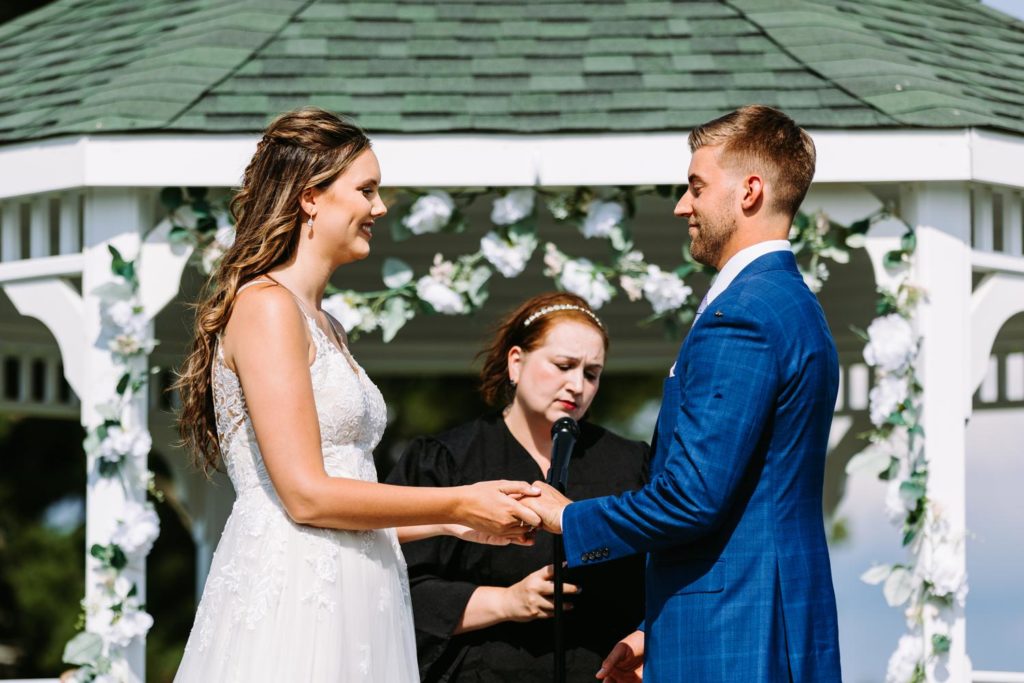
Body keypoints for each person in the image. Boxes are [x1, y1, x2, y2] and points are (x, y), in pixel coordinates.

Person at [172, 107, 542, 682]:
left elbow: (348, 495)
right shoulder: (266, 307)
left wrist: (454, 525)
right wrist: (455, 502)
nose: (380, 207)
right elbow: (305, 498)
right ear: (310, 198)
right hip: (297, 592)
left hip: (359, 586)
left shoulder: (328, 325)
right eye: (366, 190)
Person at [523, 105, 842, 682]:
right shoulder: (797, 307)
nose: (681, 205)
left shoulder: (741, 315)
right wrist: (658, 629)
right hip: (769, 619)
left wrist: (568, 518)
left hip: (733, 636)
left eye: (696, 187)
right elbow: (751, 499)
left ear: (749, 191)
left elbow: (692, 497)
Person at [386, 292, 648, 682]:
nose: (577, 385)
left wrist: (645, 637)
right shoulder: (447, 459)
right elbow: (395, 586)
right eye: (563, 366)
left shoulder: (631, 462)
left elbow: (667, 571)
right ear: (516, 362)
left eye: (592, 373)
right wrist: (507, 601)